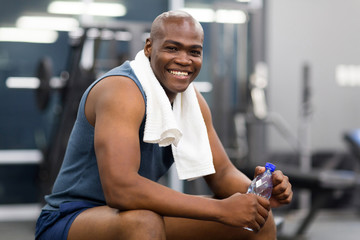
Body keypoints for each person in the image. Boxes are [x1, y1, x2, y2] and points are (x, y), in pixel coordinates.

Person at [35, 10, 292, 240]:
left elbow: (222, 173)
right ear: (149, 47)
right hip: (70, 218)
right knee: (143, 222)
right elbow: (121, 190)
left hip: (124, 214)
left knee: (258, 222)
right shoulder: (122, 91)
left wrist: (259, 194)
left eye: (194, 51)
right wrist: (220, 209)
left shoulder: (191, 102)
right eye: (172, 48)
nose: (184, 60)